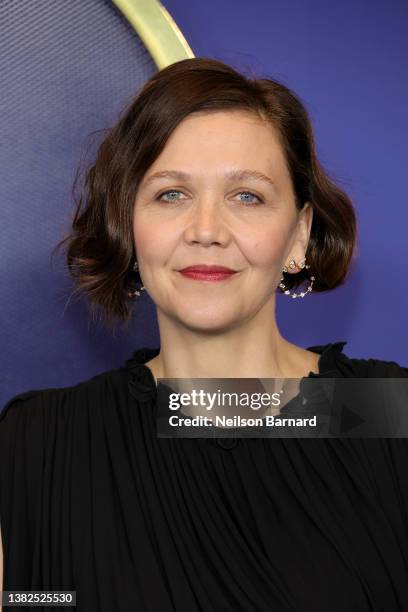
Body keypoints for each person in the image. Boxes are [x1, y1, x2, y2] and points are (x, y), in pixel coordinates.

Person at [1, 57, 408, 612]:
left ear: (299, 234)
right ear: (128, 228)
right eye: (171, 194)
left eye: (247, 196)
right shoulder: (37, 444)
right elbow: (36, 602)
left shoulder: (387, 415)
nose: (207, 231)